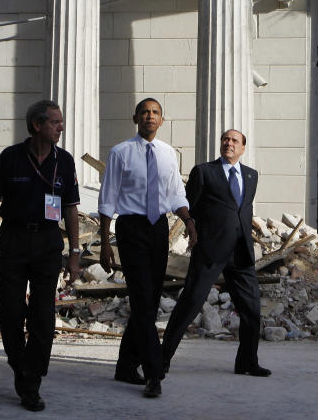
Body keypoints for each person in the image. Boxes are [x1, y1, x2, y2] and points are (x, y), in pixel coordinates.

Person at [0, 99, 81, 412]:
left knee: (42, 316)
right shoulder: (11, 157)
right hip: (13, 239)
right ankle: (20, 363)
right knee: (10, 310)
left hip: (48, 242)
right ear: (37, 125)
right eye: (55, 123)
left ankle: (31, 381)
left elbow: (71, 208)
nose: (60, 128)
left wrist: (75, 251)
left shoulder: (64, 161)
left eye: (61, 123)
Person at [98, 98, 197, 398]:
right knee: (142, 300)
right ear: (135, 118)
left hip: (158, 229)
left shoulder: (168, 154)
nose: (149, 117)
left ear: (161, 120)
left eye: (155, 112)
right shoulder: (121, 153)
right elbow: (107, 198)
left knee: (149, 302)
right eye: (144, 112)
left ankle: (125, 366)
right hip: (131, 228)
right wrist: (104, 242)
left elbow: (176, 192)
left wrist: (189, 221)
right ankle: (154, 373)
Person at [162, 129, 270, 378]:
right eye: (225, 139)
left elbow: (242, 210)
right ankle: (162, 358)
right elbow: (189, 204)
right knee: (189, 304)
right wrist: (192, 228)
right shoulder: (204, 172)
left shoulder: (251, 176)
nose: (228, 143)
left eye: (234, 141)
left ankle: (247, 362)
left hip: (241, 253)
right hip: (210, 251)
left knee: (251, 308)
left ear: (243, 148)